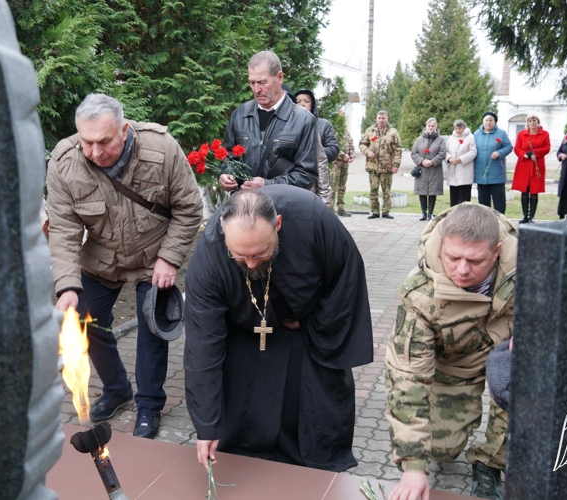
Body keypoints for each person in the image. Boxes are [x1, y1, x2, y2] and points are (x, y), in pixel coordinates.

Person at [184, 186, 373, 472]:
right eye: (239, 256)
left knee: (314, 407)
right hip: (243, 330)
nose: (250, 264)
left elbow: (346, 279)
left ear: (278, 225)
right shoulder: (209, 257)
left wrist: (314, 322)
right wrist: (206, 425)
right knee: (242, 403)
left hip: (308, 327)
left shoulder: (312, 218)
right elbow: (202, 346)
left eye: (260, 253)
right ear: (223, 232)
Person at [47, 93, 203, 438]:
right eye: (87, 142)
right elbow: (63, 230)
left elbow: (190, 208)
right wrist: (67, 286)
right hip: (103, 259)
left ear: (124, 129)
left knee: (151, 328)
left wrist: (169, 258)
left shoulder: (161, 148)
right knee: (84, 319)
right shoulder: (64, 162)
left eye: (104, 141)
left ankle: (149, 405)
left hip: (153, 256)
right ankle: (117, 388)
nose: (95, 152)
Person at [386, 203, 516, 500]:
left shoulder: (532, 267)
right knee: (442, 449)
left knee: (531, 389)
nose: (462, 269)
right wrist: (414, 465)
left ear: (496, 251)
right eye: (453, 257)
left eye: (475, 260)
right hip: (457, 365)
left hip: (511, 357)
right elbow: (406, 377)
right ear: (442, 246)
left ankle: (490, 463)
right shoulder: (420, 294)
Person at [219, 51, 319, 192]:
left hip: (282, 202)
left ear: (279, 78)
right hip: (244, 202)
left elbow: (307, 175)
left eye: (262, 82)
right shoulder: (240, 114)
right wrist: (226, 174)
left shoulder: (304, 120)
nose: (256, 90)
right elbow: (229, 157)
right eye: (252, 83)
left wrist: (267, 185)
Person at [295, 88, 336, 208]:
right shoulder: (287, 125)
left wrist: (310, 152)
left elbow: (331, 152)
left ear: (312, 104)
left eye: (306, 101)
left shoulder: (323, 125)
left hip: (313, 184)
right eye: (298, 101)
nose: (302, 104)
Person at [359, 110, 403, 219]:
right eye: (379, 118)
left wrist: (396, 165)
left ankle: (385, 211)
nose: (381, 120)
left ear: (387, 118)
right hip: (373, 166)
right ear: (376, 118)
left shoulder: (393, 132)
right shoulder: (369, 131)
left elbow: (398, 149)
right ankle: (374, 211)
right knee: (373, 189)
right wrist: (368, 152)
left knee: (386, 190)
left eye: (383, 118)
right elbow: (362, 144)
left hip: (387, 167)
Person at [511, 114, 551, 223]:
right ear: (527, 123)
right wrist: (525, 155)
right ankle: (525, 215)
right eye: (529, 121)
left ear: (538, 122)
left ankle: (531, 216)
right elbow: (517, 148)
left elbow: (547, 148)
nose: (532, 123)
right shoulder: (521, 134)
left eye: (534, 120)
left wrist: (534, 152)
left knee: (534, 190)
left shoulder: (545, 134)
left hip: (537, 164)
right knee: (524, 190)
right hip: (524, 165)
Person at [473, 112, 513, 214]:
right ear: (483, 121)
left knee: (499, 201)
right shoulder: (476, 134)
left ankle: (500, 220)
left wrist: (499, 153)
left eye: (491, 120)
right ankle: (485, 221)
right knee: (483, 202)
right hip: (481, 173)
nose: (488, 122)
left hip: (497, 173)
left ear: (495, 122)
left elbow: (509, 147)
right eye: (486, 120)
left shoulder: (501, 133)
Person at [410, 118, 447, 220]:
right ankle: (423, 212)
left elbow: (442, 153)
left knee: (432, 191)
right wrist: (422, 161)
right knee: (422, 191)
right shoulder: (419, 140)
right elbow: (414, 153)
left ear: (436, 127)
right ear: (426, 126)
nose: (431, 128)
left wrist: (432, 162)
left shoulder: (440, 140)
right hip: (422, 169)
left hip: (434, 169)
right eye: (429, 126)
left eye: (433, 126)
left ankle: (430, 212)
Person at [445, 119, 477, 207]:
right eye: (456, 128)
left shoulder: (470, 137)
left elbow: (473, 152)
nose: (458, 130)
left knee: (464, 200)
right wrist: (449, 158)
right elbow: (446, 151)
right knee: (454, 199)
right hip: (453, 171)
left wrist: (460, 159)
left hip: (464, 172)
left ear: (464, 128)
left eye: (460, 128)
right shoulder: (451, 138)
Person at [331, 125, 356, 216]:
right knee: (333, 187)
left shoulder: (345, 131)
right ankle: (330, 210)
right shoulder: (332, 130)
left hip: (345, 165)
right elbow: (331, 147)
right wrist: (343, 156)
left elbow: (350, 143)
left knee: (342, 187)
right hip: (335, 164)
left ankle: (341, 208)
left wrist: (352, 154)